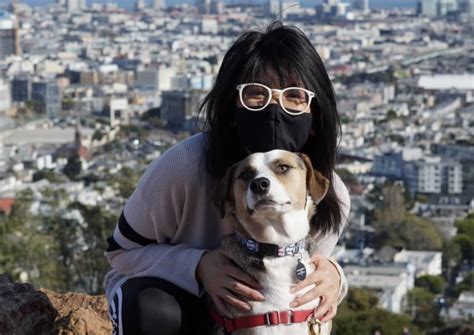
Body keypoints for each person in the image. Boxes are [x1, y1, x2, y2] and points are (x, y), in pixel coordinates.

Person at [104, 20, 351, 335]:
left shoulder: (330, 192)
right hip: (179, 302)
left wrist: (334, 276)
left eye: (294, 97)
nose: (275, 108)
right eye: (256, 94)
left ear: (315, 116)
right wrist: (198, 267)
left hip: (260, 317)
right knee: (151, 307)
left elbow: (301, 272)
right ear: (231, 107)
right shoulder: (184, 166)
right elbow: (121, 253)